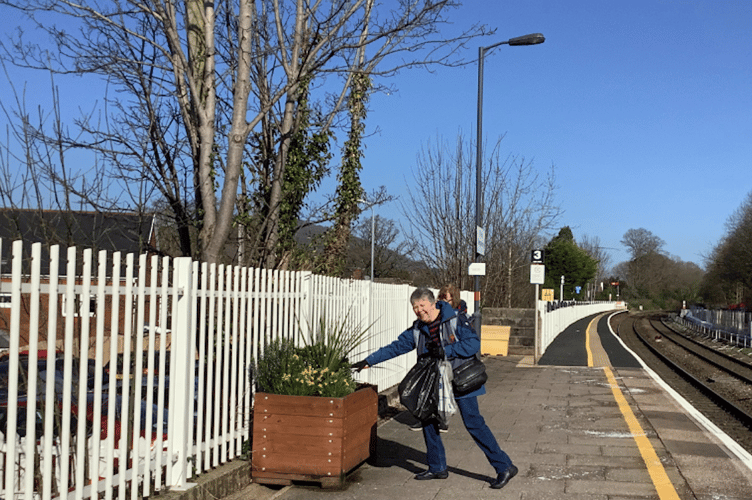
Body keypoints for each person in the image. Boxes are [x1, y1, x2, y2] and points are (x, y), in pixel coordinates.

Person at [351, 288, 518, 489]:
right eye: (415, 308)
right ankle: (437, 466)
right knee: (427, 418)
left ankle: (504, 466)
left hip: (460, 379)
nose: (420, 311)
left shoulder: (455, 319)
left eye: (422, 306)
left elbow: (473, 344)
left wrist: (446, 350)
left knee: (474, 423)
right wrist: (368, 361)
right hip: (434, 380)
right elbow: (396, 347)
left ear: (432, 303)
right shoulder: (417, 329)